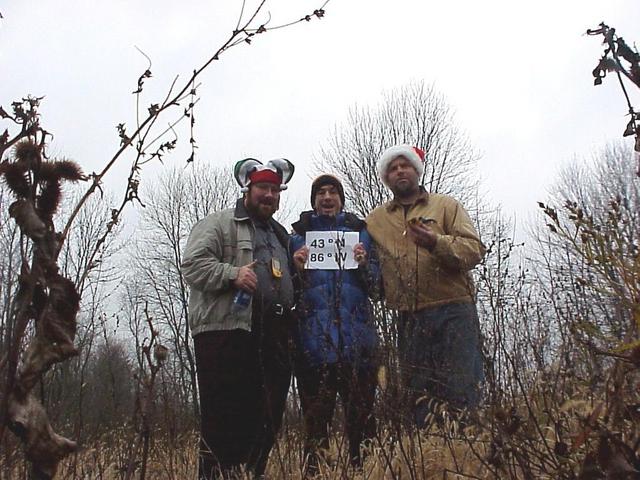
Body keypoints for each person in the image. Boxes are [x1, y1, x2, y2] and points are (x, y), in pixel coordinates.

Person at [181, 158, 296, 479]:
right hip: (228, 334)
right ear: (248, 188)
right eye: (263, 188)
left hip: (273, 336)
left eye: (275, 189)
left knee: (268, 417)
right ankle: (216, 474)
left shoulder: (279, 235)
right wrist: (231, 274)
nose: (269, 195)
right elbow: (192, 265)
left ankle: (249, 473)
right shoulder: (220, 223)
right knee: (224, 418)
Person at [365, 145, 486, 426]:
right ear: (387, 178)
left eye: (404, 165)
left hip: (454, 311)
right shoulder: (375, 220)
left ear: (416, 171)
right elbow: (369, 269)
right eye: (393, 169)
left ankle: (467, 452)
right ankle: (431, 457)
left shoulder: (445, 206)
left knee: (463, 388)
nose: (399, 171)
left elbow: (474, 250)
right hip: (409, 317)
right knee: (419, 394)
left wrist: (437, 242)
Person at [291, 174, 379, 472]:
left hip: (359, 350)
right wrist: (297, 270)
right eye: (320, 193)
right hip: (313, 351)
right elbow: (285, 293)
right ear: (313, 201)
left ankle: (365, 473)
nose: (327, 197)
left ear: (341, 199)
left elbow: (379, 290)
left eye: (333, 192)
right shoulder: (296, 239)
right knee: (316, 429)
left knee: (363, 427)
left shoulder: (363, 235)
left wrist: (366, 265)